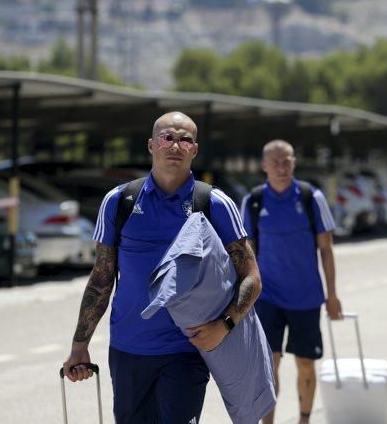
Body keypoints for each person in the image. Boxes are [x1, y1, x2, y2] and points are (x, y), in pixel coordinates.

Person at [62, 111, 261, 424]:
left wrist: (225, 325)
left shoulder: (215, 204)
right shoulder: (119, 201)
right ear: (152, 145)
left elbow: (250, 277)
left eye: (185, 140)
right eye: (168, 137)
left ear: (194, 150)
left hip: (186, 352)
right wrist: (79, 346)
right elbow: (101, 280)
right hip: (129, 350)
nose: (176, 146)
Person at [240, 140, 342, 424]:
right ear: (264, 166)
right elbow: (245, 254)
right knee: (268, 364)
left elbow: (327, 249)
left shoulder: (311, 198)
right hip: (267, 297)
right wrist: (243, 298)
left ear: (294, 162)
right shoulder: (254, 201)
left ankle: (304, 420)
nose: (282, 168)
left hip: (307, 297)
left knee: (306, 363)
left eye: (287, 161)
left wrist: (332, 295)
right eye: (276, 162)